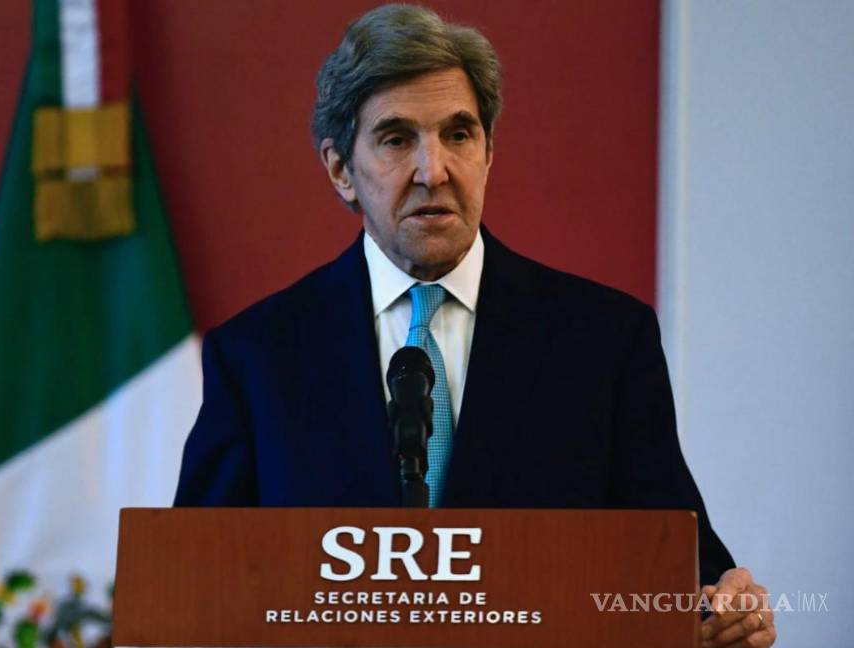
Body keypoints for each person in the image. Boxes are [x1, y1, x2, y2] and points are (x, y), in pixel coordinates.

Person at [175, 5, 776, 646]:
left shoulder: (603, 341)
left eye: (458, 135)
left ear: (488, 152)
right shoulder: (259, 355)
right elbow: (193, 586)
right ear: (341, 170)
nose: (433, 170)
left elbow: (679, 571)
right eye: (396, 139)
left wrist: (723, 612)